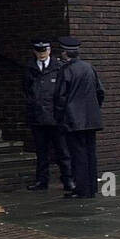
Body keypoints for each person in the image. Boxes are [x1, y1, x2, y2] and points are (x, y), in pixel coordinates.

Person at [53, 36, 105, 199]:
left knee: (78, 155)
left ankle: (82, 189)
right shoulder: (89, 68)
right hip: (91, 118)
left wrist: (59, 117)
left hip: (73, 119)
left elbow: (60, 97)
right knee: (90, 153)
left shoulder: (66, 70)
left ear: (64, 53)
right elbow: (100, 91)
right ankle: (91, 187)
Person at [23, 40, 72, 193]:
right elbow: (26, 90)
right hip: (37, 118)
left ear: (49, 51)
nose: (42, 54)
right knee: (41, 152)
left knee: (62, 151)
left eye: (44, 51)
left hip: (56, 118)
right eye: (39, 51)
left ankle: (68, 179)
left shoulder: (58, 67)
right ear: (34, 52)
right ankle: (41, 181)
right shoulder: (30, 68)